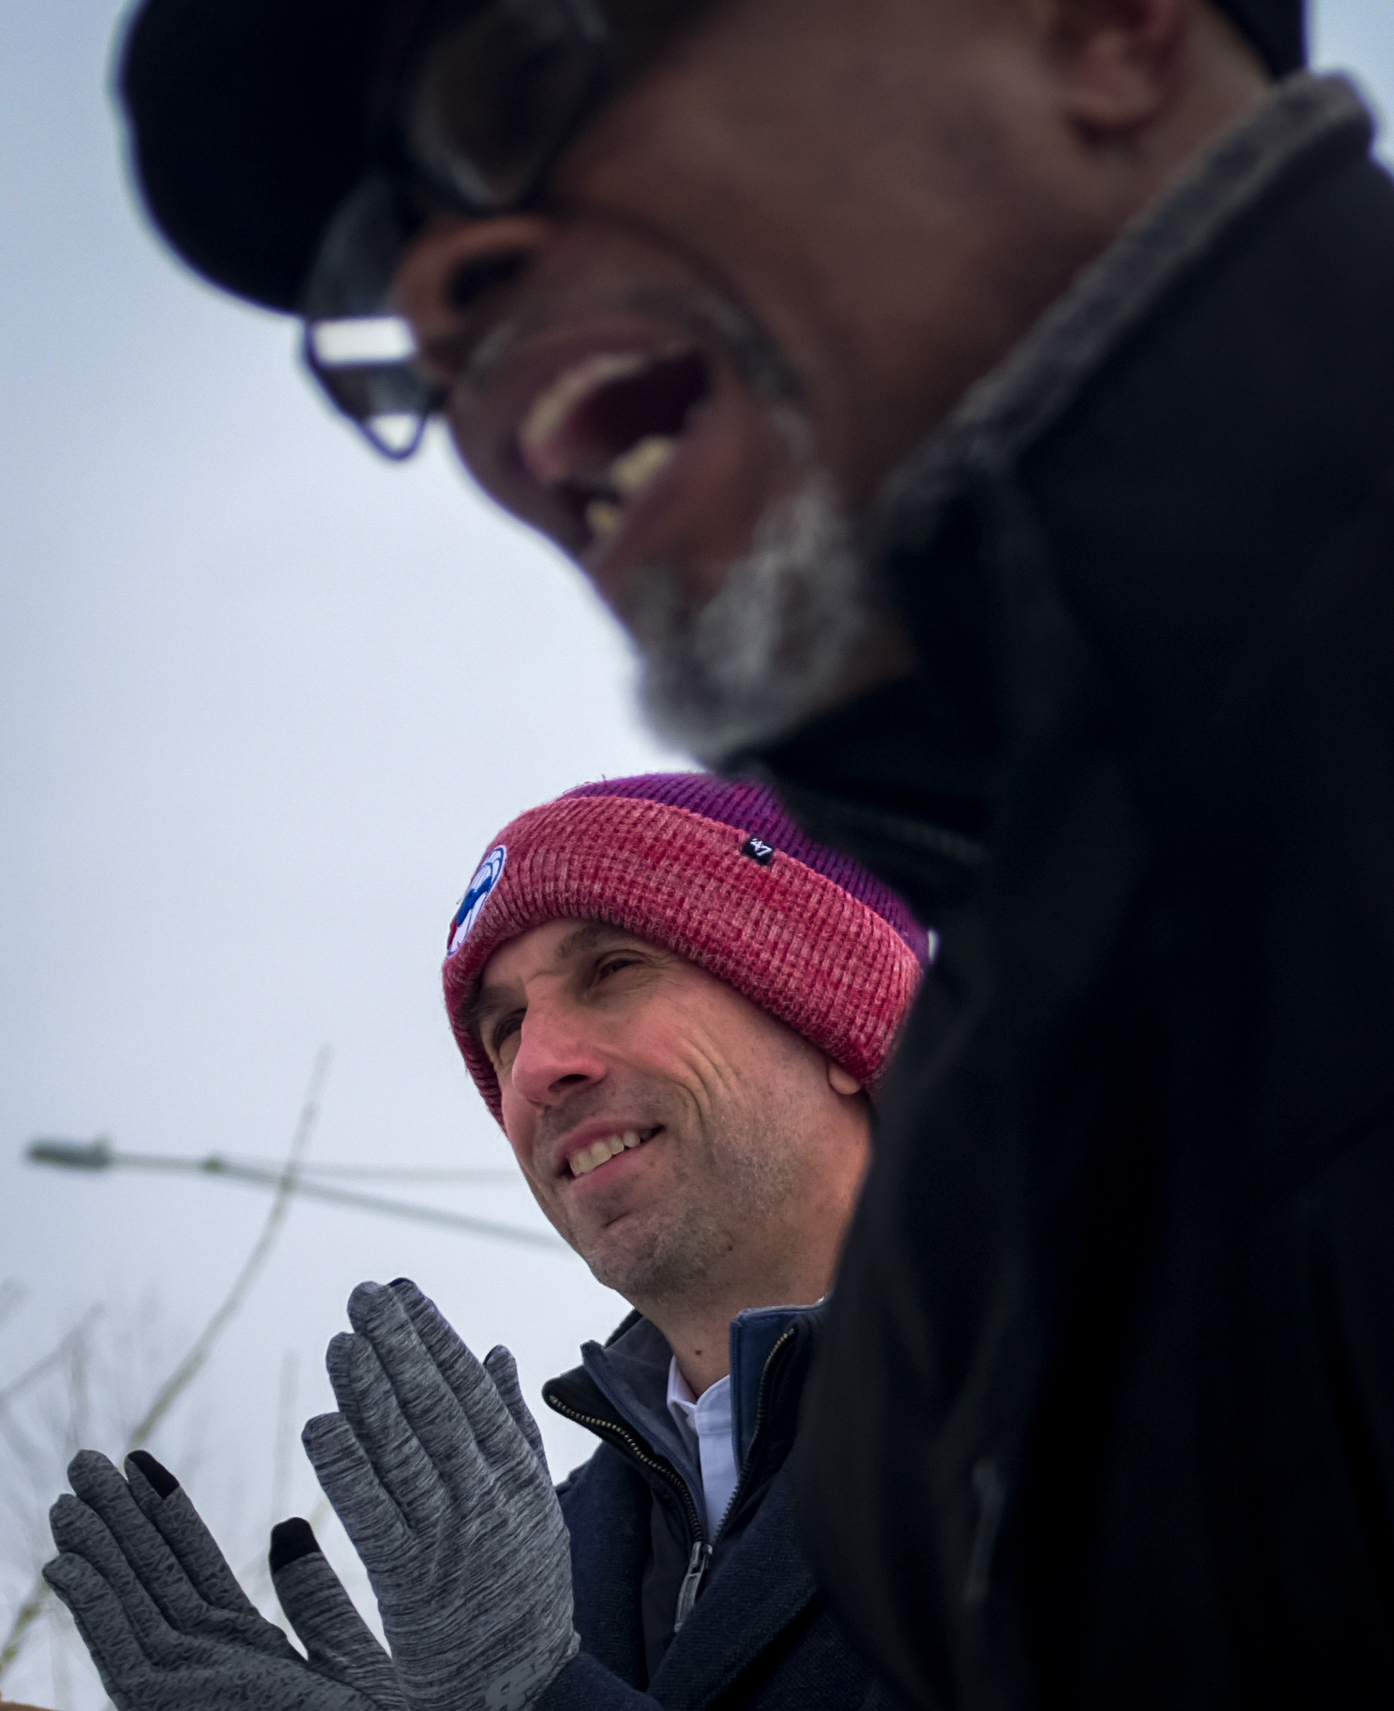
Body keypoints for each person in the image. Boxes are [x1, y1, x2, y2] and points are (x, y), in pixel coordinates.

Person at [116, 0, 1394, 1704]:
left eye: (522, 81)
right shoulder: (992, 1291)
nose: (434, 300)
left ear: (1099, 24)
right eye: (380, 273)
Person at [45, 772, 928, 1711]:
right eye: (505, 1029)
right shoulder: (542, 1559)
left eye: (614, 969)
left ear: (838, 1019)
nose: (536, 1067)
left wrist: (537, 1691)